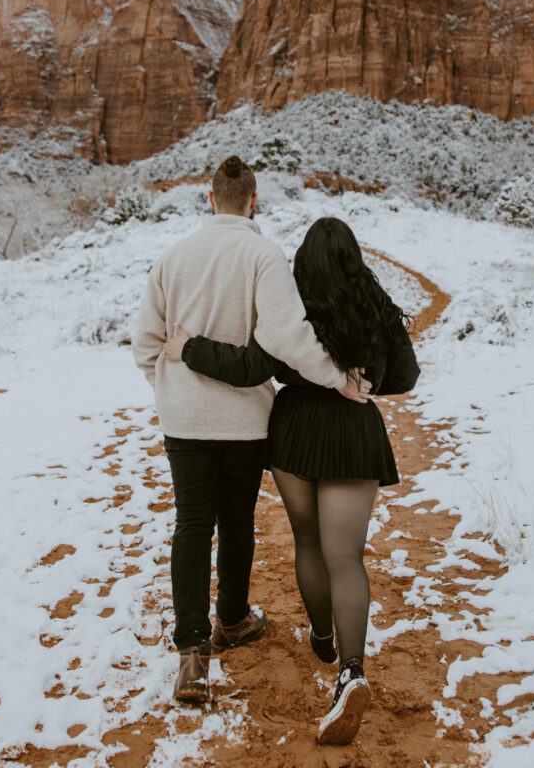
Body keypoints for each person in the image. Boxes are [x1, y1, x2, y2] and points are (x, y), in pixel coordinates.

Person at [163, 216, 420, 745]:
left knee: (308, 541)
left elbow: (251, 366)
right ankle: (351, 669)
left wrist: (189, 348)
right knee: (346, 556)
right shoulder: (374, 303)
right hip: (353, 433)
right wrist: (367, 382)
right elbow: (407, 375)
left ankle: (322, 635)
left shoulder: (292, 307)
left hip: (296, 431)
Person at [131, 157, 370, 706]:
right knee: (236, 522)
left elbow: (145, 344)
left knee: (191, 524)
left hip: (183, 421)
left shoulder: (171, 258)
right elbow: (289, 337)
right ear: (253, 201)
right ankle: (234, 619)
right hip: (244, 422)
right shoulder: (263, 256)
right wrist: (336, 378)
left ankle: (193, 655)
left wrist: (172, 390)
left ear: (209, 199)